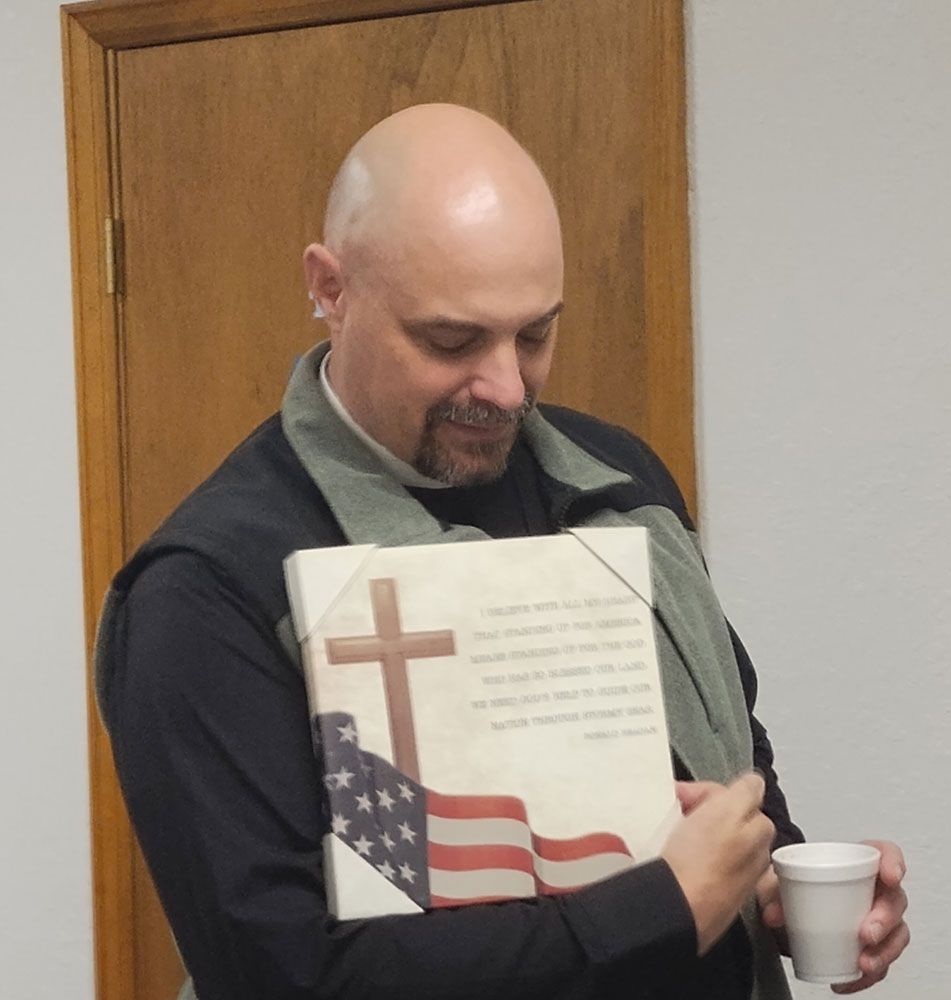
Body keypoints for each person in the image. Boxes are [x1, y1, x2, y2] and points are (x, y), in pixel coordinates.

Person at [95, 105, 908, 1000]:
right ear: (331, 288)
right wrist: (661, 906)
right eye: (451, 341)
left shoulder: (620, 482)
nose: (507, 388)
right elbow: (280, 975)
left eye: (534, 333)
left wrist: (780, 881)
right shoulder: (209, 587)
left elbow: (724, 754)